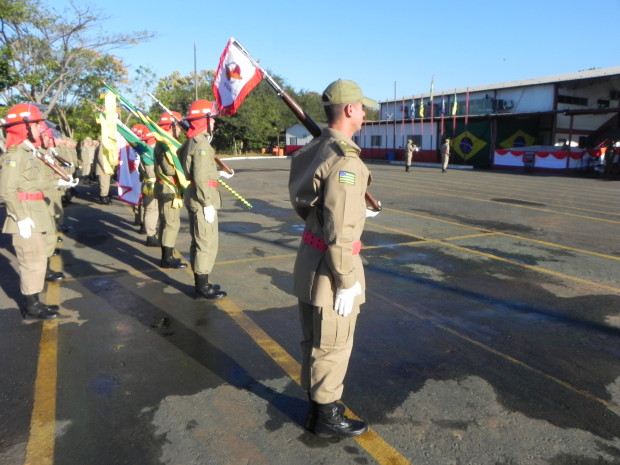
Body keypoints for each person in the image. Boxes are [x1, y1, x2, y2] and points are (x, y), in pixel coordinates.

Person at [288, 79, 380, 438]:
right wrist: (346, 280)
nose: (365, 113)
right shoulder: (345, 160)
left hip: (312, 257)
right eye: (362, 107)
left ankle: (317, 407)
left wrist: (356, 209)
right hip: (332, 267)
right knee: (333, 344)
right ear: (350, 109)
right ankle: (325, 416)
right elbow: (340, 232)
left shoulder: (318, 148)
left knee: (315, 341)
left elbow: (310, 203)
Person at [0, 103, 74, 319]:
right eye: (35, 124)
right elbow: (6, 190)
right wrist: (21, 217)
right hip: (25, 214)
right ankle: (32, 307)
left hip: (36, 211)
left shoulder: (28, 153)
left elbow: (38, 182)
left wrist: (60, 183)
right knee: (32, 261)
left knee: (38, 260)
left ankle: (34, 301)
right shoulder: (15, 155)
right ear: (23, 127)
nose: (39, 128)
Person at [177, 100, 232, 300]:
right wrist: (207, 203)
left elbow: (197, 170)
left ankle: (202, 281)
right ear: (203, 120)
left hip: (196, 196)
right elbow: (200, 177)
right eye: (212, 119)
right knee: (205, 243)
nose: (214, 122)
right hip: (202, 199)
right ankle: (202, 287)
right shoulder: (201, 144)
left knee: (200, 241)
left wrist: (218, 174)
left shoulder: (193, 141)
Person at [154, 111, 187, 269]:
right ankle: (167, 258)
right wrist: (184, 168)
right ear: (171, 126)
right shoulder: (165, 144)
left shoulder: (164, 142)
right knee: (171, 224)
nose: (180, 129)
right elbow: (169, 169)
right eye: (178, 126)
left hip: (167, 188)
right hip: (168, 188)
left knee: (167, 223)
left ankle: (168, 255)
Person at [131, 124, 160, 247]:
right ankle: (151, 236)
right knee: (152, 209)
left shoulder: (144, 150)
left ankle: (147, 229)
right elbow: (152, 172)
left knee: (148, 208)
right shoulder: (150, 152)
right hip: (152, 182)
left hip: (146, 182)